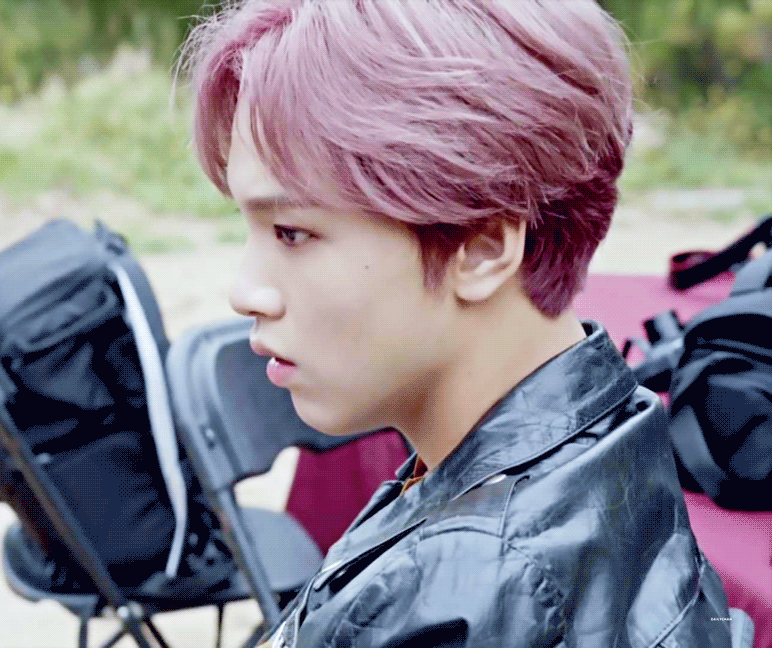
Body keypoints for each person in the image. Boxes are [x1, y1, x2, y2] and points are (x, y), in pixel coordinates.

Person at [180, 1, 733, 645]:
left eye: (291, 232)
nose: (244, 291)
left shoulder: (461, 597)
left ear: (483, 248)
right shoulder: (613, 427)